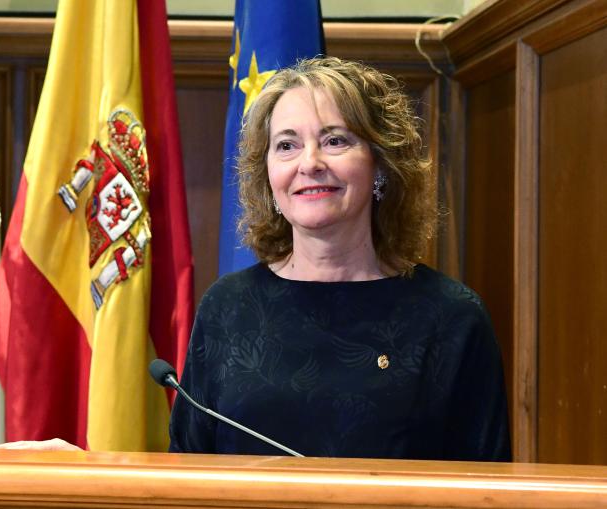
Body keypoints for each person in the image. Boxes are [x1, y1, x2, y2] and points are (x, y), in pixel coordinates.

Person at [167, 56, 511, 461]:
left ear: (380, 165)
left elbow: (486, 485)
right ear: (269, 176)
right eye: (287, 145)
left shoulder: (453, 318)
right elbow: (187, 467)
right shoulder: (226, 307)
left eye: (335, 140)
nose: (309, 163)